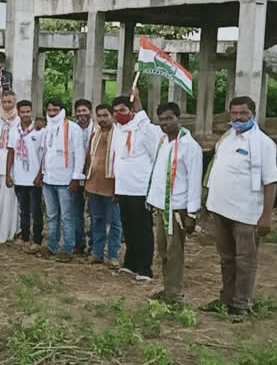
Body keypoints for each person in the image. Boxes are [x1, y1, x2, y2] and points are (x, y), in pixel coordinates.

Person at [202, 96, 277, 319]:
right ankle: (226, 298)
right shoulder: (227, 138)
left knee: (245, 260)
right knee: (226, 257)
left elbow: (271, 181)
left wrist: (266, 216)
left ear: (253, 114)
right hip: (221, 208)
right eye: (234, 114)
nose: (238, 118)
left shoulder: (263, 143)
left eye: (243, 114)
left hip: (246, 213)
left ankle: (242, 304)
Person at [146, 102, 202, 304]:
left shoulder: (190, 146)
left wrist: (192, 213)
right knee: (162, 250)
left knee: (174, 252)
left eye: (169, 118)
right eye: (161, 119)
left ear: (179, 118)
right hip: (161, 206)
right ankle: (167, 288)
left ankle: (174, 293)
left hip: (177, 208)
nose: (165, 123)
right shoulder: (163, 142)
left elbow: (195, 181)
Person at [110, 87, 162, 283]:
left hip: (140, 188)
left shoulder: (144, 129)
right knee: (128, 227)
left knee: (143, 228)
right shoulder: (118, 130)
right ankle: (130, 263)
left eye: (123, 110)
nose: (118, 115)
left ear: (132, 111)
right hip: (123, 187)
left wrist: (138, 101)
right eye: (116, 111)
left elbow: (145, 124)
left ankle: (145, 268)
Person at [35, 98, 86, 262]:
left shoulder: (73, 128)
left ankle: (68, 249)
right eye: (49, 111)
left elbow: (79, 154)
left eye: (55, 110)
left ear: (62, 111)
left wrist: (76, 178)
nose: (51, 113)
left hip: (66, 180)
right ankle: (52, 246)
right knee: (51, 215)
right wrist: (42, 173)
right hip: (49, 180)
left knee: (67, 217)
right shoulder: (47, 129)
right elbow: (45, 153)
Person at [83, 103, 122, 268]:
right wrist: (85, 182)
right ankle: (97, 253)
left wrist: (118, 187)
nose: (102, 119)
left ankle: (113, 255)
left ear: (112, 116)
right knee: (97, 220)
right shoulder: (95, 135)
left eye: (106, 115)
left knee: (114, 223)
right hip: (94, 184)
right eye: (99, 116)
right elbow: (89, 159)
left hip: (111, 185)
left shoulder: (119, 135)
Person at [6, 100, 45, 254]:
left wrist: (40, 174)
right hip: (19, 176)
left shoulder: (40, 131)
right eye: (22, 112)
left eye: (28, 112)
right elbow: (11, 152)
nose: (25, 115)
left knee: (36, 210)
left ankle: (37, 239)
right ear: (18, 113)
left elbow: (44, 155)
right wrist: (8, 173)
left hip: (34, 177)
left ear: (32, 112)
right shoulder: (14, 129)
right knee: (23, 208)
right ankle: (25, 235)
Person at [0, 91, 20, 244]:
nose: (7, 105)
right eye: (5, 102)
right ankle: (1, 228)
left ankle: (12, 230)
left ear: (14, 103)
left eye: (10, 102)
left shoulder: (19, 120)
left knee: (11, 200)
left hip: (13, 164)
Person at [73, 99, 94, 255]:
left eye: (84, 111)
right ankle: (78, 243)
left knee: (94, 212)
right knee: (76, 212)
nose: (81, 114)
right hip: (75, 176)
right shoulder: (70, 129)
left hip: (93, 177)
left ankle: (94, 245)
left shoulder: (98, 129)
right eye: (78, 111)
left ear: (90, 112)